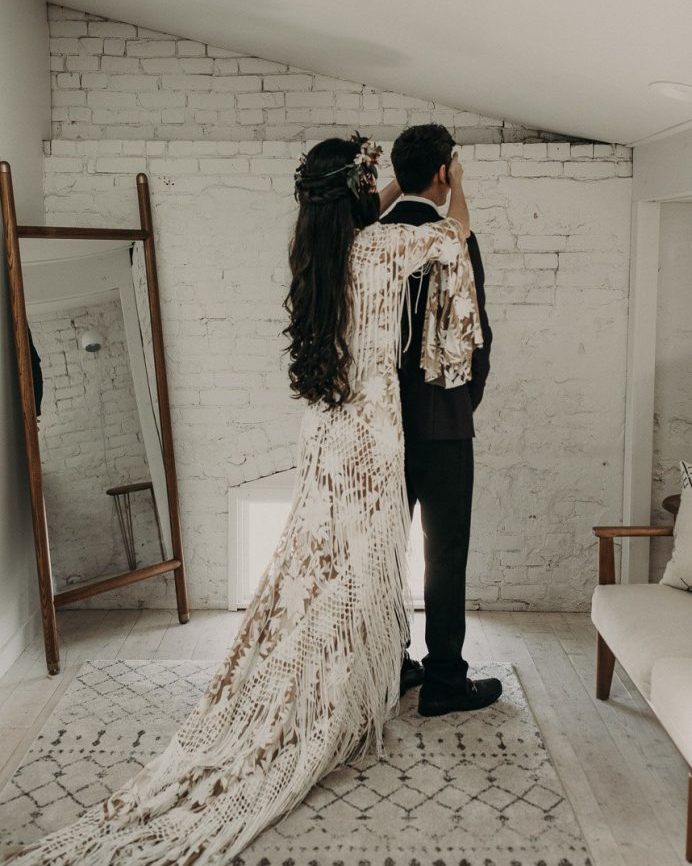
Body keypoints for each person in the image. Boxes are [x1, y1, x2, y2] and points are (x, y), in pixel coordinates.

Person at [7, 133, 485, 866]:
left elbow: (364, 212)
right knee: (365, 561)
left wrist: (371, 185)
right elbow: (456, 231)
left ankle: (365, 668)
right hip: (372, 433)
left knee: (323, 560)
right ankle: (348, 684)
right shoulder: (382, 249)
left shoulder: (322, 251)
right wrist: (453, 179)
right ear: (358, 195)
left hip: (323, 433)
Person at [382, 124, 501, 717]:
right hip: (444, 422)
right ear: (444, 172)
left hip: (380, 426)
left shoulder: (367, 240)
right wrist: (462, 404)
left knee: (384, 552)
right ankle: (445, 680)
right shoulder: (453, 239)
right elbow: (477, 335)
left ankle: (390, 664)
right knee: (445, 552)